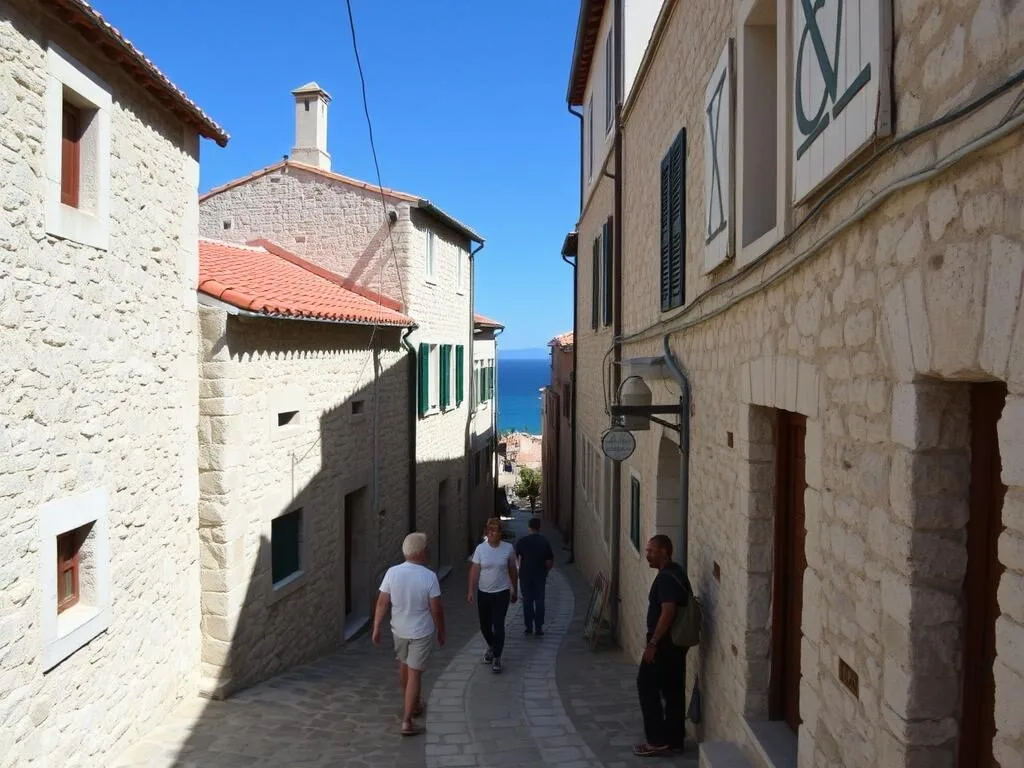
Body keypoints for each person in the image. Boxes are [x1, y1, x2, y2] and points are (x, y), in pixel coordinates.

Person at [372, 532, 445, 737]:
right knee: (415, 674)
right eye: (427, 548)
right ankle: (407, 720)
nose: (429, 551)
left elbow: (382, 602)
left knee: (404, 667)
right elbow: (436, 609)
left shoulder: (392, 573)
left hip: (399, 630)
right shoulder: (429, 576)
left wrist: (377, 627)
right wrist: (441, 630)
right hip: (421, 632)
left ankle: (412, 704)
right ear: (421, 552)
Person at [633, 534, 691, 758]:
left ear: (665, 552)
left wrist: (653, 643)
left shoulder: (666, 578)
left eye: (651, 551)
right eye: (647, 551)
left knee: (646, 686)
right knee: (673, 691)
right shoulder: (677, 572)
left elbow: (668, 612)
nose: (648, 554)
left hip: (664, 645)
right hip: (676, 645)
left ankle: (656, 740)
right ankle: (675, 740)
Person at [468, 517, 518, 673]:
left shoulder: (508, 548)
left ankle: (497, 657)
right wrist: (470, 590)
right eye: (488, 530)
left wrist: (514, 589)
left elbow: (512, 569)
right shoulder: (481, 549)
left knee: (498, 625)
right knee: (484, 626)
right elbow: (475, 570)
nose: (490, 533)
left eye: (494, 530)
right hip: (484, 593)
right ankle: (492, 646)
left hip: (501, 593)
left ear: (500, 533)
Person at [514, 517, 554, 636]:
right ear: (539, 528)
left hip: (525, 575)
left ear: (529, 528)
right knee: (540, 600)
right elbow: (549, 561)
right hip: (540, 574)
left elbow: (516, 559)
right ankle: (539, 627)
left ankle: (528, 626)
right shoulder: (544, 541)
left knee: (527, 601)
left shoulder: (522, 541)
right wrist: (546, 571)